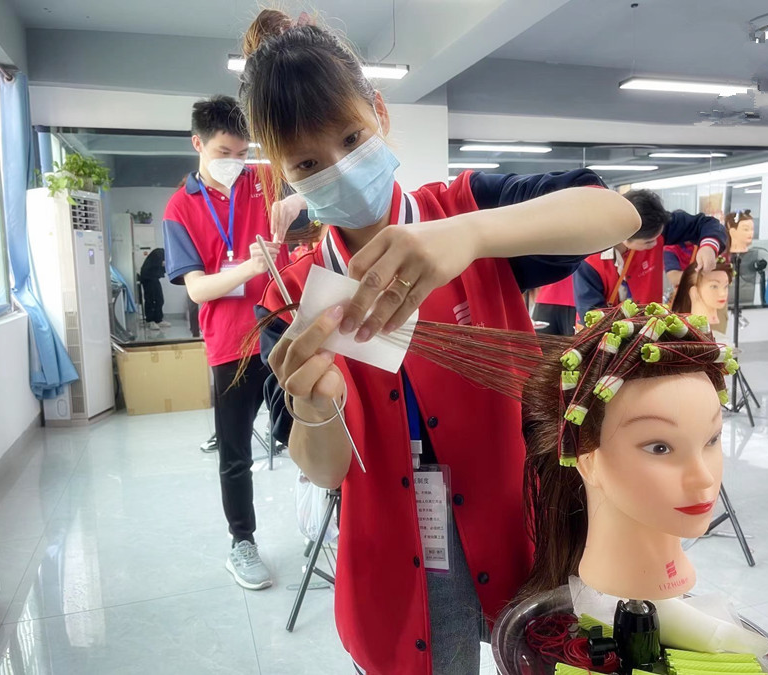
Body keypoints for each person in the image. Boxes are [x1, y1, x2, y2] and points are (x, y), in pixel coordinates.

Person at [238, 9, 641, 674]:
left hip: (514, 524)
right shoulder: (299, 296)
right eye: (308, 162)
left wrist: (472, 235)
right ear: (283, 174)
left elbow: (615, 212)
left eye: (351, 138)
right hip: (398, 555)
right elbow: (326, 470)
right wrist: (315, 404)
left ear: (380, 113)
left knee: (539, 652)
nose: (340, 169)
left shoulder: (466, 210)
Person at [163, 95, 288, 590]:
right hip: (231, 346)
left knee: (307, 432)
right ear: (198, 144)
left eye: (242, 153)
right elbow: (196, 289)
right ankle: (242, 542)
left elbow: (314, 191)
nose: (235, 162)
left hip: (281, 332)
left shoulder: (263, 183)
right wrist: (250, 267)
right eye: (223, 152)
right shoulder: (180, 208)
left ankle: (326, 526)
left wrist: (297, 203)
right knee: (235, 452)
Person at [574, 190, 727, 320]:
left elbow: (706, 224)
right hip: (607, 336)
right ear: (624, 236)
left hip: (650, 329)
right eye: (648, 242)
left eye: (657, 238)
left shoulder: (657, 225)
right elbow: (591, 315)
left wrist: (709, 247)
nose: (655, 244)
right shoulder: (589, 261)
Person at [139, 247, 170, 330]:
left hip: (154, 278)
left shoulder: (162, 254)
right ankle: (150, 321)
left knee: (160, 299)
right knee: (150, 299)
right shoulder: (158, 252)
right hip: (147, 278)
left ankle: (158, 319)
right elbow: (161, 264)